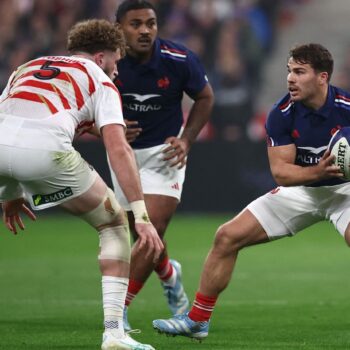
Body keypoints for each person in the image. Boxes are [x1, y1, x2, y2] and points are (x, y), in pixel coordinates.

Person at [152, 43, 350, 339]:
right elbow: (282, 173)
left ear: (322, 77)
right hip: (302, 189)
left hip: (344, 192)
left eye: (299, 72)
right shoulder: (281, 113)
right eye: (288, 71)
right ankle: (197, 321)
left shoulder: (346, 108)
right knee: (226, 237)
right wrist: (318, 172)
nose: (290, 79)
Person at [0, 19, 164, 350]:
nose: (117, 70)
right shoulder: (101, 81)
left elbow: (11, 122)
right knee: (114, 225)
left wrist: (11, 191)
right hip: (45, 153)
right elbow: (119, 149)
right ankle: (114, 334)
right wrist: (142, 217)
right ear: (102, 56)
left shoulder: (27, 66)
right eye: (117, 61)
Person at [111, 0, 214, 331]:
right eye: (136, 24)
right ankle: (170, 275)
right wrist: (109, 127)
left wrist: (186, 140)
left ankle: (119, 310)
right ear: (119, 29)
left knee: (151, 228)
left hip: (164, 155)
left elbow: (205, 97)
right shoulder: (107, 63)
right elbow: (86, 108)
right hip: (123, 154)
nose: (145, 30)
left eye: (151, 23)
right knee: (141, 234)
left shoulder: (179, 59)